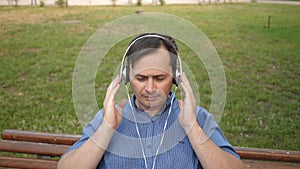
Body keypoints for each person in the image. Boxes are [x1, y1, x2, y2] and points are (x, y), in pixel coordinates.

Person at [57, 33, 244, 169]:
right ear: (127, 75)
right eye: (140, 78)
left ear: (176, 77)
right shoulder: (109, 118)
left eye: (160, 78)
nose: (150, 88)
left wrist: (192, 127)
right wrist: (107, 128)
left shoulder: (197, 117)